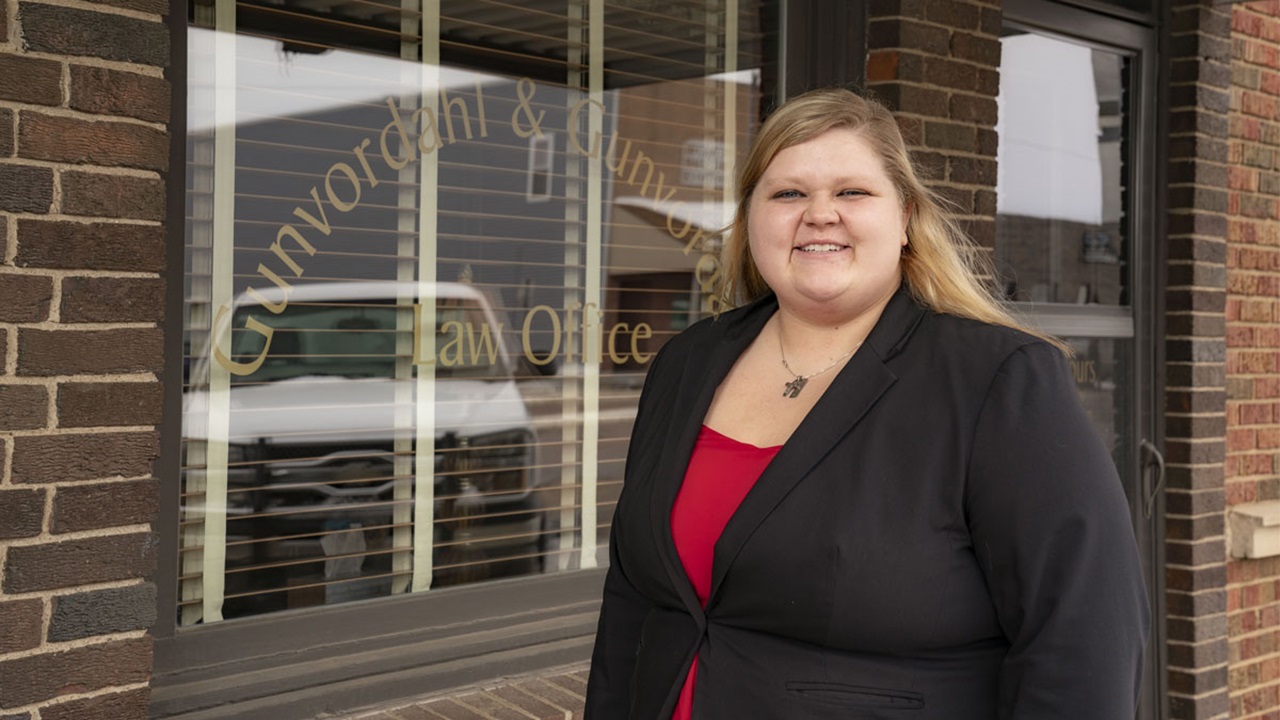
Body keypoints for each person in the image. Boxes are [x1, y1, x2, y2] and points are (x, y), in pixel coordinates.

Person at [583, 87, 1149, 719]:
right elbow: (631, 603)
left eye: (852, 192)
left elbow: (1084, 641)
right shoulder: (687, 364)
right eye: (788, 193)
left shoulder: (998, 380)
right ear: (752, 219)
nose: (819, 214)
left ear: (905, 217)